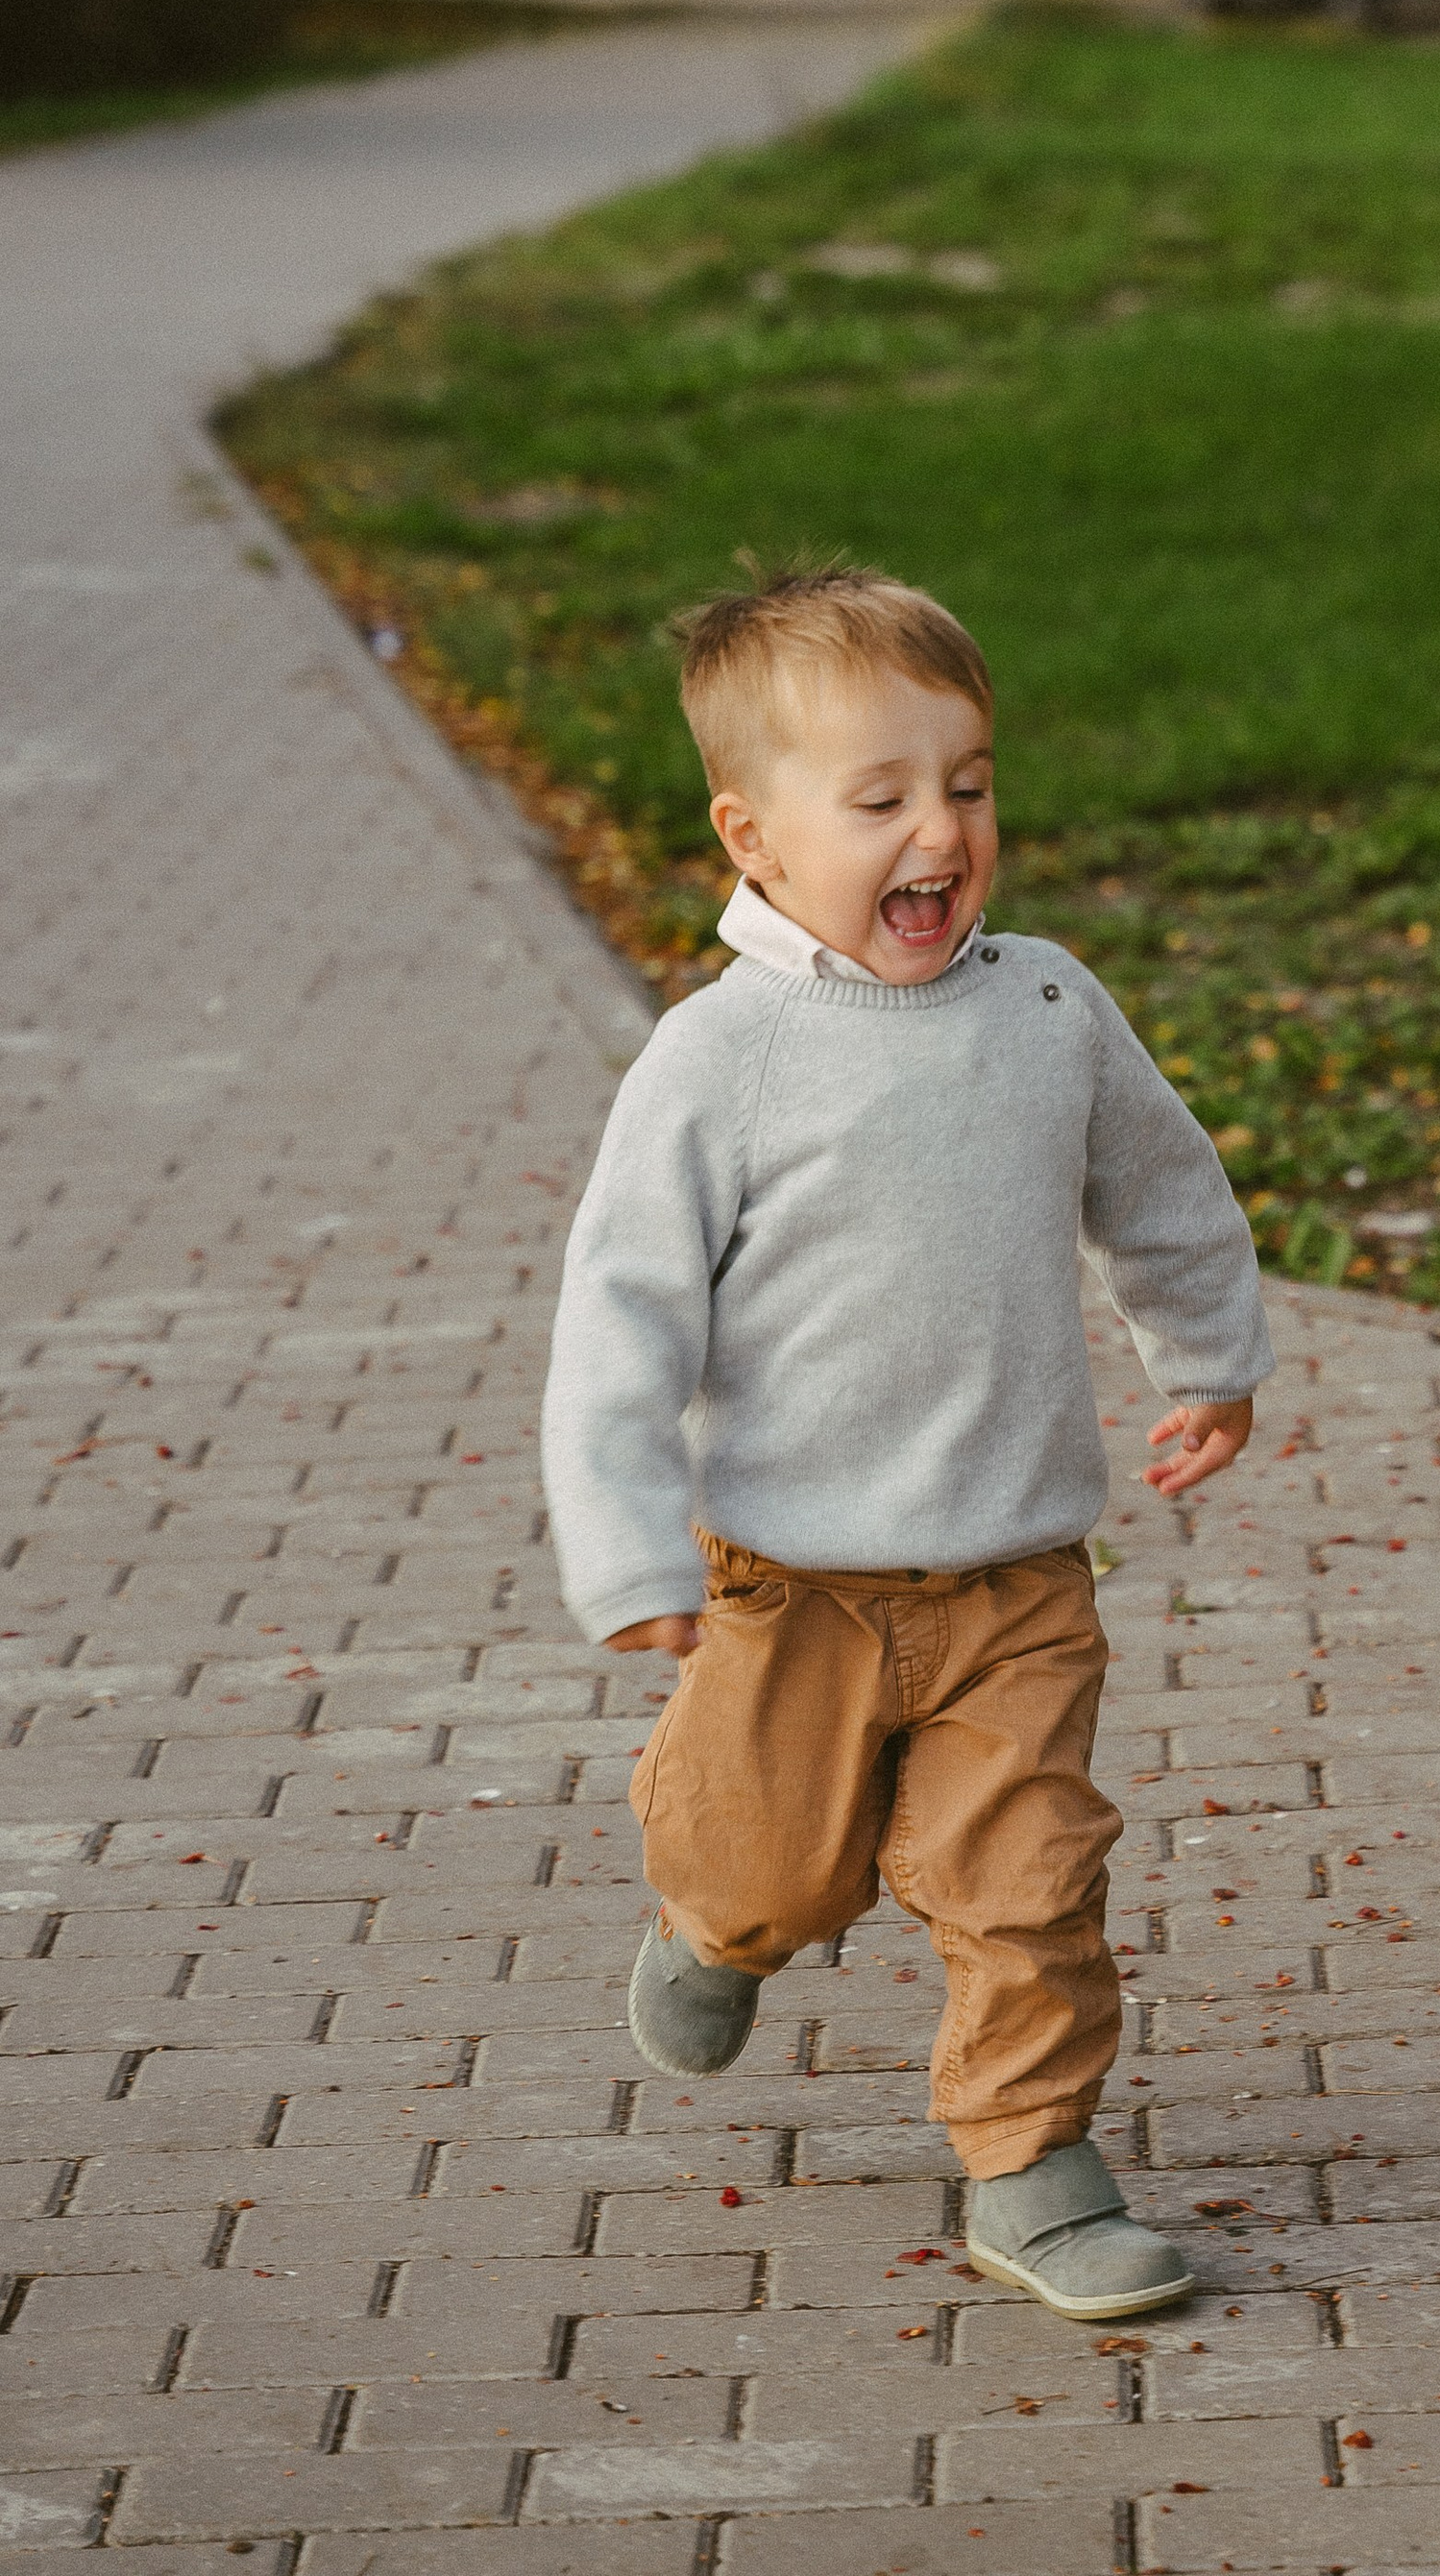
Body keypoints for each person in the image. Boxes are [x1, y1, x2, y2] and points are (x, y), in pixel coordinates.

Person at [540, 563, 1271, 2321]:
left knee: (1029, 1884)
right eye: (879, 800)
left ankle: (1035, 2172)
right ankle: (712, 1922)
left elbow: (1163, 1191)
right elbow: (620, 1320)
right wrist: (629, 1550)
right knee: (768, 1864)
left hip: (1019, 1575)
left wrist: (1212, 1356)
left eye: (968, 783)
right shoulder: (719, 1061)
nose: (937, 831)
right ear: (757, 836)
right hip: (794, 1586)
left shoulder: (1046, 1011)